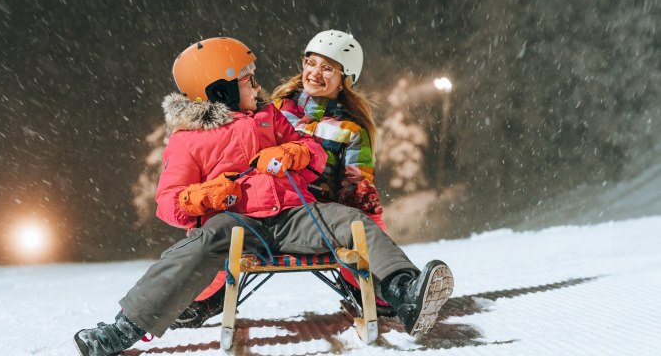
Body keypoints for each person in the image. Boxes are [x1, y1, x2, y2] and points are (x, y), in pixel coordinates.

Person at [74, 37, 454, 356]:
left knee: (350, 221)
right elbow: (169, 203)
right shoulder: (187, 140)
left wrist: (294, 153)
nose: (257, 88)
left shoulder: (269, 116)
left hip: (293, 216)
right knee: (200, 243)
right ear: (219, 89)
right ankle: (124, 328)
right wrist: (204, 196)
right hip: (237, 223)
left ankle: (404, 291)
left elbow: (313, 150)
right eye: (248, 81)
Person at [173, 30, 392, 328]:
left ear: (345, 79)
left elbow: (358, 190)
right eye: (310, 63)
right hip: (260, 209)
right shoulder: (274, 109)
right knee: (219, 232)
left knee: (356, 225)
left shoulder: (350, 130)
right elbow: (233, 151)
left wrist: (372, 263)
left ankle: (383, 289)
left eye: (328, 68)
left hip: (316, 219)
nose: (315, 73)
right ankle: (202, 297)